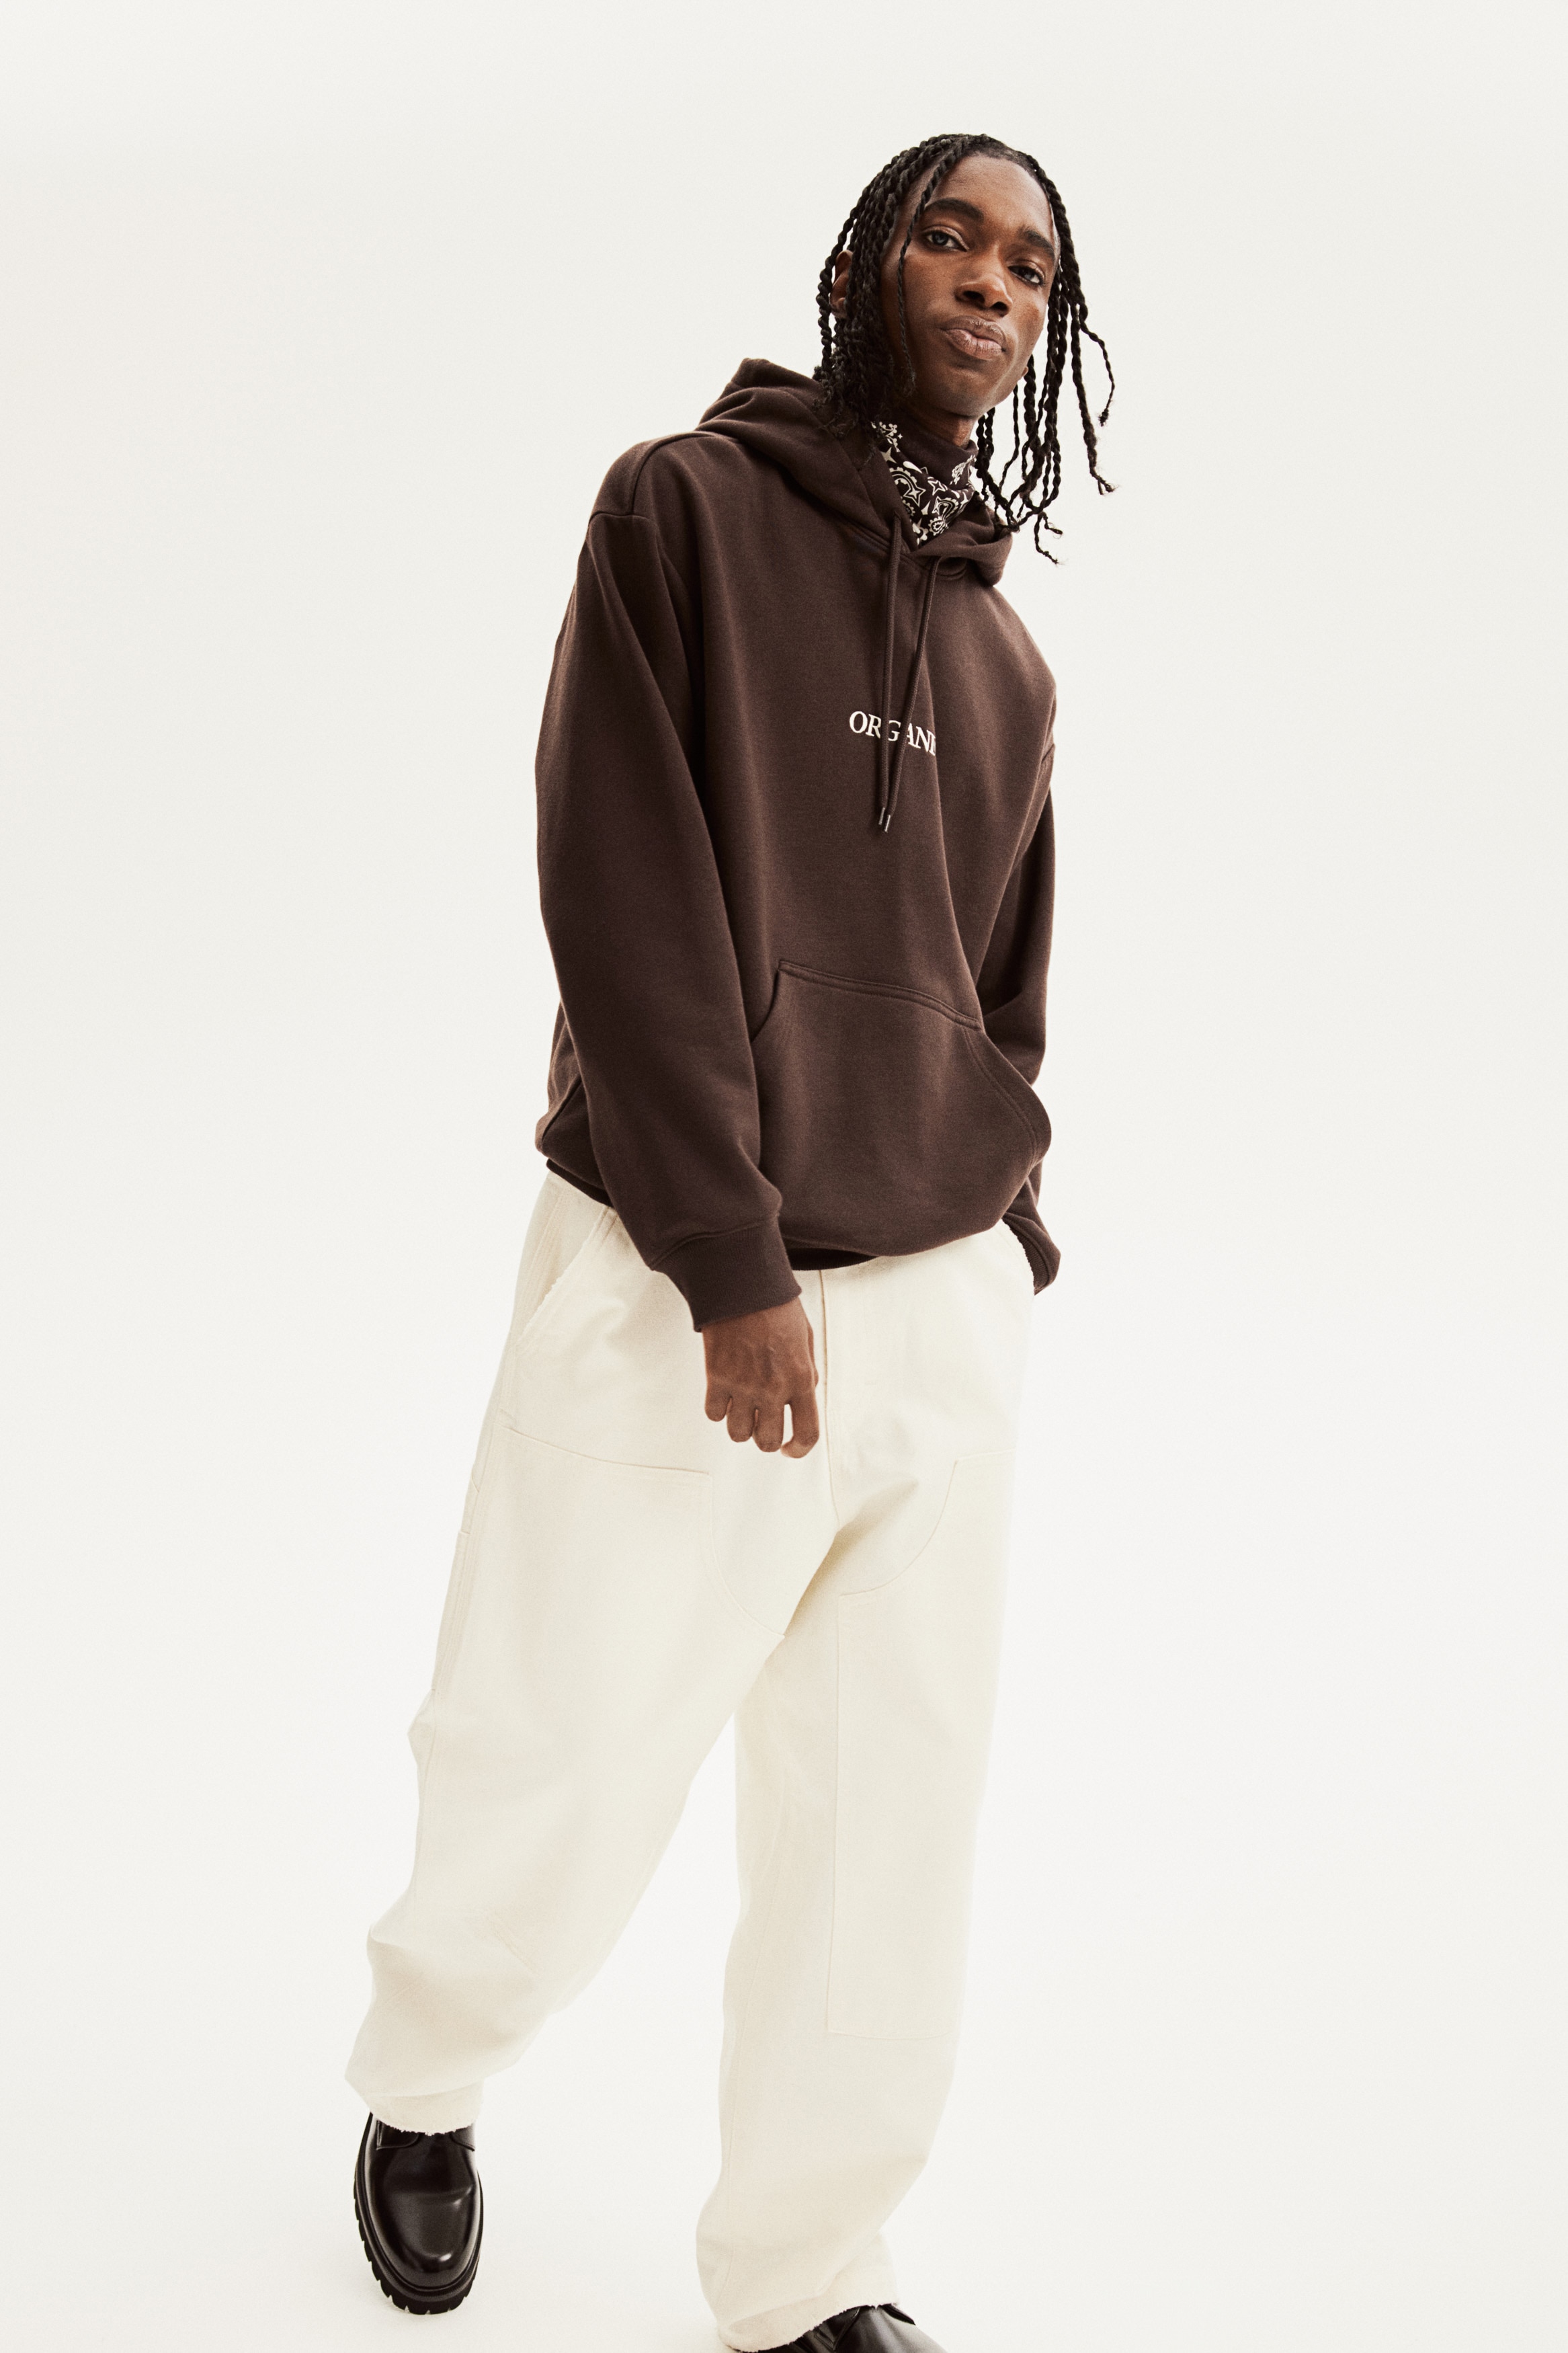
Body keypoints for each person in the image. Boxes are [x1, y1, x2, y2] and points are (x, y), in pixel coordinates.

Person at [345, 128, 1113, 2353]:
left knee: (885, 1832)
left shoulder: (1009, 661)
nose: (991, 281)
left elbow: (1003, 982)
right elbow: (621, 883)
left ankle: (808, 2274)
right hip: (692, 1286)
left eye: (1032, 264)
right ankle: (426, 2071)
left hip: (933, 1312)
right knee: (560, 1748)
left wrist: (1002, 1228)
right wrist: (729, 1256)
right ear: (865, 264)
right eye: (951, 234)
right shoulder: (677, 509)